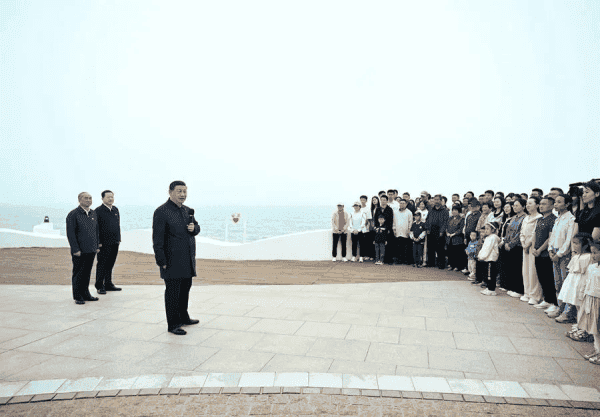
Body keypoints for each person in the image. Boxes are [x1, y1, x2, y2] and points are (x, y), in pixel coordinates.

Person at [152, 180, 201, 335]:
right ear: (170, 192)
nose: (182, 194)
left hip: (187, 260)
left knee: (185, 289)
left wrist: (194, 228)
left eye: (185, 191)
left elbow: (197, 228)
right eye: (179, 191)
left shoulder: (187, 210)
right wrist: (161, 260)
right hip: (171, 261)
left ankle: (184, 317)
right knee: (173, 293)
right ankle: (173, 324)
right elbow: (157, 239)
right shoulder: (161, 211)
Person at [66, 192, 100, 305]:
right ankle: (78, 296)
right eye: (86, 198)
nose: (88, 200)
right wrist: (75, 249)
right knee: (78, 274)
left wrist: (97, 246)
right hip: (79, 251)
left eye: (90, 198)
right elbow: (71, 234)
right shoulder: (73, 214)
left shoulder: (93, 213)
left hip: (91, 249)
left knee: (87, 273)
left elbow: (96, 231)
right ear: (79, 200)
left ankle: (86, 294)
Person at [548, 194, 576, 319]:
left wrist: (559, 254)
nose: (556, 204)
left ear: (567, 204)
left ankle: (567, 312)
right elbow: (553, 236)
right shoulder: (558, 219)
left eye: (559, 202)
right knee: (557, 282)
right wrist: (550, 250)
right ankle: (559, 308)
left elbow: (569, 240)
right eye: (555, 202)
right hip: (554, 252)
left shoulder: (571, 219)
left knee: (565, 283)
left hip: (563, 255)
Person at [557, 233, 593, 324]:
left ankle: (580, 323)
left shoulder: (589, 257)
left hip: (581, 283)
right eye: (573, 243)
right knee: (573, 301)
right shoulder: (576, 256)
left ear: (585, 245)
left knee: (580, 303)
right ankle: (572, 317)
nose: (574, 246)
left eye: (577, 243)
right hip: (573, 283)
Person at [531, 196, 558, 313]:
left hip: (546, 254)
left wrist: (540, 249)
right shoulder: (540, 219)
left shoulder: (553, 219)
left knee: (548, 278)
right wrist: (534, 248)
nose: (541, 206)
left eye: (544, 204)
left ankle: (553, 302)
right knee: (541, 277)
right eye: (540, 204)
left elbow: (550, 238)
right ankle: (546, 299)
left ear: (552, 206)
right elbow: (535, 235)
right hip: (537, 253)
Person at [575, 240, 600, 364]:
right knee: (593, 328)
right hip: (590, 299)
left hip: (598, 300)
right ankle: (597, 349)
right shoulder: (591, 267)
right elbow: (586, 282)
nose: (593, 255)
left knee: (598, 327)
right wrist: (582, 295)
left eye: (596, 253)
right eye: (592, 252)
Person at [94, 190, 122, 294]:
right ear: (102, 198)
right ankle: (99, 285)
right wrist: (98, 242)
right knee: (102, 264)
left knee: (110, 263)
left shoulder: (115, 209)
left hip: (115, 241)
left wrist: (118, 238)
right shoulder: (98, 211)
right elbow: (95, 228)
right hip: (103, 243)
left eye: (112, 197)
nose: (110, 199)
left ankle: (108, 284)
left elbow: (117, 225)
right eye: (108, 197)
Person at [520, 196, 544, 305]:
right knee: (525, 270)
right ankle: (527, 292)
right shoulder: (526, 218)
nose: (527, 205)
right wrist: (523, 243)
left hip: (533, 246)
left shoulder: (539, 217)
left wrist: (528, 244)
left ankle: (535, 296)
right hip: (525, 246)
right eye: (527, 204)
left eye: (530, 203)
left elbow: (535, 233)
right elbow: (522, 232)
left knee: (533, 271)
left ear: (537, 205)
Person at [502, 197, 527, 298]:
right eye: (514, 206)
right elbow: (507, 232)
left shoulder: (525, 218)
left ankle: (518, 289)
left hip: (517, 246)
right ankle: (512, 287)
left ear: (523, 207)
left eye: (517, 205)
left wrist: (511, 244)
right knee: (511, 267)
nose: (514, 207)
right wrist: (506, 242)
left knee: (517, 268)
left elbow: (520, 233)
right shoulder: (513, 218)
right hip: (508, 245)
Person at [425, 195, 448, 269]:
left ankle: (441, 264)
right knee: (430, 248)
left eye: (438, 199)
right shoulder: (431, 210)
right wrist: (427, 229)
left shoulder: (445, 211)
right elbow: (427, 220)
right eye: (435, 199)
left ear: (441, 201)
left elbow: (445, 222)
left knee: (440, 248)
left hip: (440, 230)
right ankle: (431, 263)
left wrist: (442, 231)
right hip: (431, 230)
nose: (436, 201)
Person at [478, 222, 501, 296]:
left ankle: (491, 289)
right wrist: (480, 255)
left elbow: (488, 249)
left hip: (491, 259)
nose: (486, 230)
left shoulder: (493, 238)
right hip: (487, 259)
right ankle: (488, 287)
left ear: (493, 230)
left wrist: (482, 256)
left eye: (488, 229)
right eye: (485, 229)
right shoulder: (488, 237)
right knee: (486, 274)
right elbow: (484, 248)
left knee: (490, 275)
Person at [496, 201, 515, 291]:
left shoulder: (513, 219)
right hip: (501, 243)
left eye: (508, 207)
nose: (506, 209)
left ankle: (507, 285)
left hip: (508, 243)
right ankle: (502, 283)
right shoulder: (504, 219)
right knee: (501, 264)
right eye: (505, 207)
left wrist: (504, 241)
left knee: (508, 265)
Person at [462, 198, 482, 274]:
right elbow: (466, 226)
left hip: (475, 238)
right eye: (472, 206)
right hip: (468, 237)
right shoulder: (469, 215)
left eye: (474, 206)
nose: (473, 208)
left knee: (474, 253)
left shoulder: (480, 215)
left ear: (478, 206)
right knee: (468, 253)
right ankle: (468, 268)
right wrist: (465, 237)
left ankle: (474, 271)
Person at [373, 195, 394, 264]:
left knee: (386, 245)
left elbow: (391, 220)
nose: (383, 201)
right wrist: (376, 227)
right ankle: (377, 259)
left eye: (384, 200)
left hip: (387, 229)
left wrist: (388, 229)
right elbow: (375, 219)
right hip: (378, 230)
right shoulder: (378, 209)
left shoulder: (390, 209)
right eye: (382, 200)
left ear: (387, 201)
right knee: (377, 245)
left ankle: (386, 260)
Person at [446, 204, 465, 271]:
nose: (454, 211)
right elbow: (447, 226)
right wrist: (447, 232)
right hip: (449, 238)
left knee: (457, 253)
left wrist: (454, 234)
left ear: (459, 211)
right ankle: (451, 265)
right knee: (450, 252)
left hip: (457, 239)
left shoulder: (461, 219)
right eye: (453, 210)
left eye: (456, 210)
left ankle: (457, 266)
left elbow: (461, 228)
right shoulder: (450, 218)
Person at [394, 199, 413, 265]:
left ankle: (405, 260)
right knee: (398, 247)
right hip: (398, 231)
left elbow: (410, 222)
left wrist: (409, 230)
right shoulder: (395, 212)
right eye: (401, 203)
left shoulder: (409, 212)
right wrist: (394, 229)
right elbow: (394, 221)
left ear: (406, 204)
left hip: (405, 232)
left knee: (405, 247)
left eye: (403, 203)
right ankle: (398, 260)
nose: (402, 204)